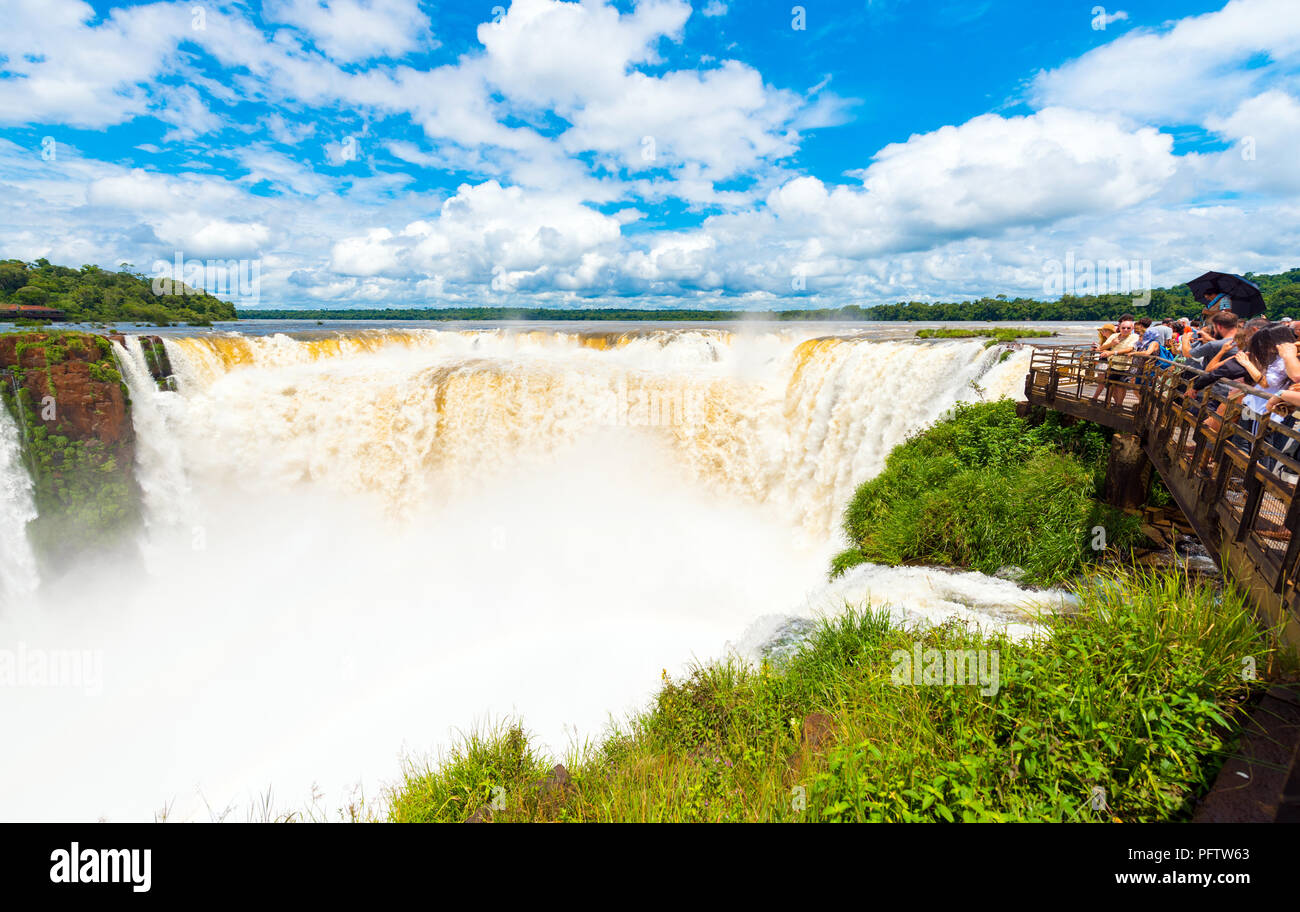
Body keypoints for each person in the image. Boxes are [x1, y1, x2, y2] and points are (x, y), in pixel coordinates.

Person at [1091, 314, 1139, 408]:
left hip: (1125, 366)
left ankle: (1119, 405)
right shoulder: (1114, 335)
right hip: (1112, 365)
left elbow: (1130, 348)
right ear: (1119, 328)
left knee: (1121, 387)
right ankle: (1107, 403)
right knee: (1110, 385)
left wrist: (1113, 352)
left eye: (1128, 328)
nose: (1125, 330)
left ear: (1132, 328)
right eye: (1123, 328)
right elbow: (1102, 347)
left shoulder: (1134, 337)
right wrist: (1112, 343)